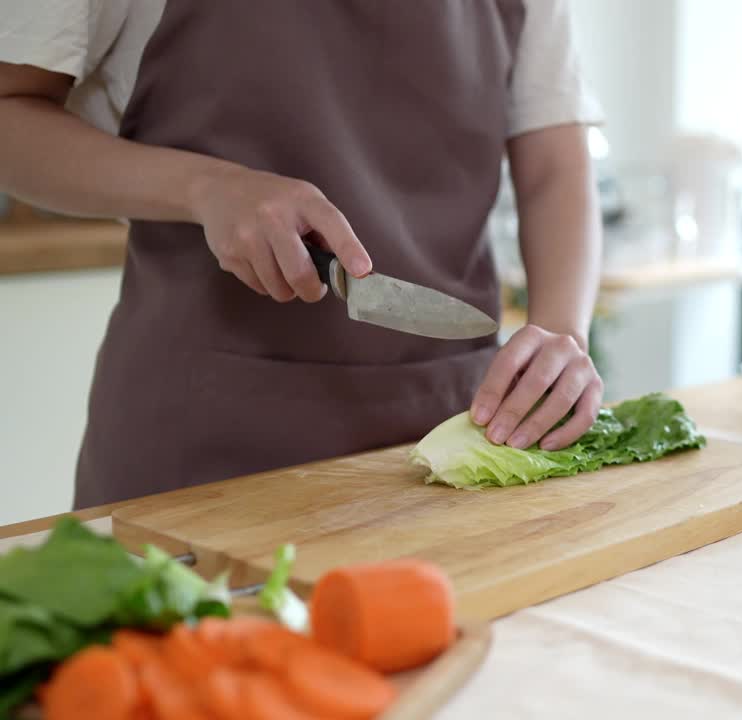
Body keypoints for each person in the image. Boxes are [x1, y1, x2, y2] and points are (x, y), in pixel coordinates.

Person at [0, 1, 604, 508]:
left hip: (456, 434)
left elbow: (555, 164)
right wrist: (206, 186)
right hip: (204, 455)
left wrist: (562, 336)